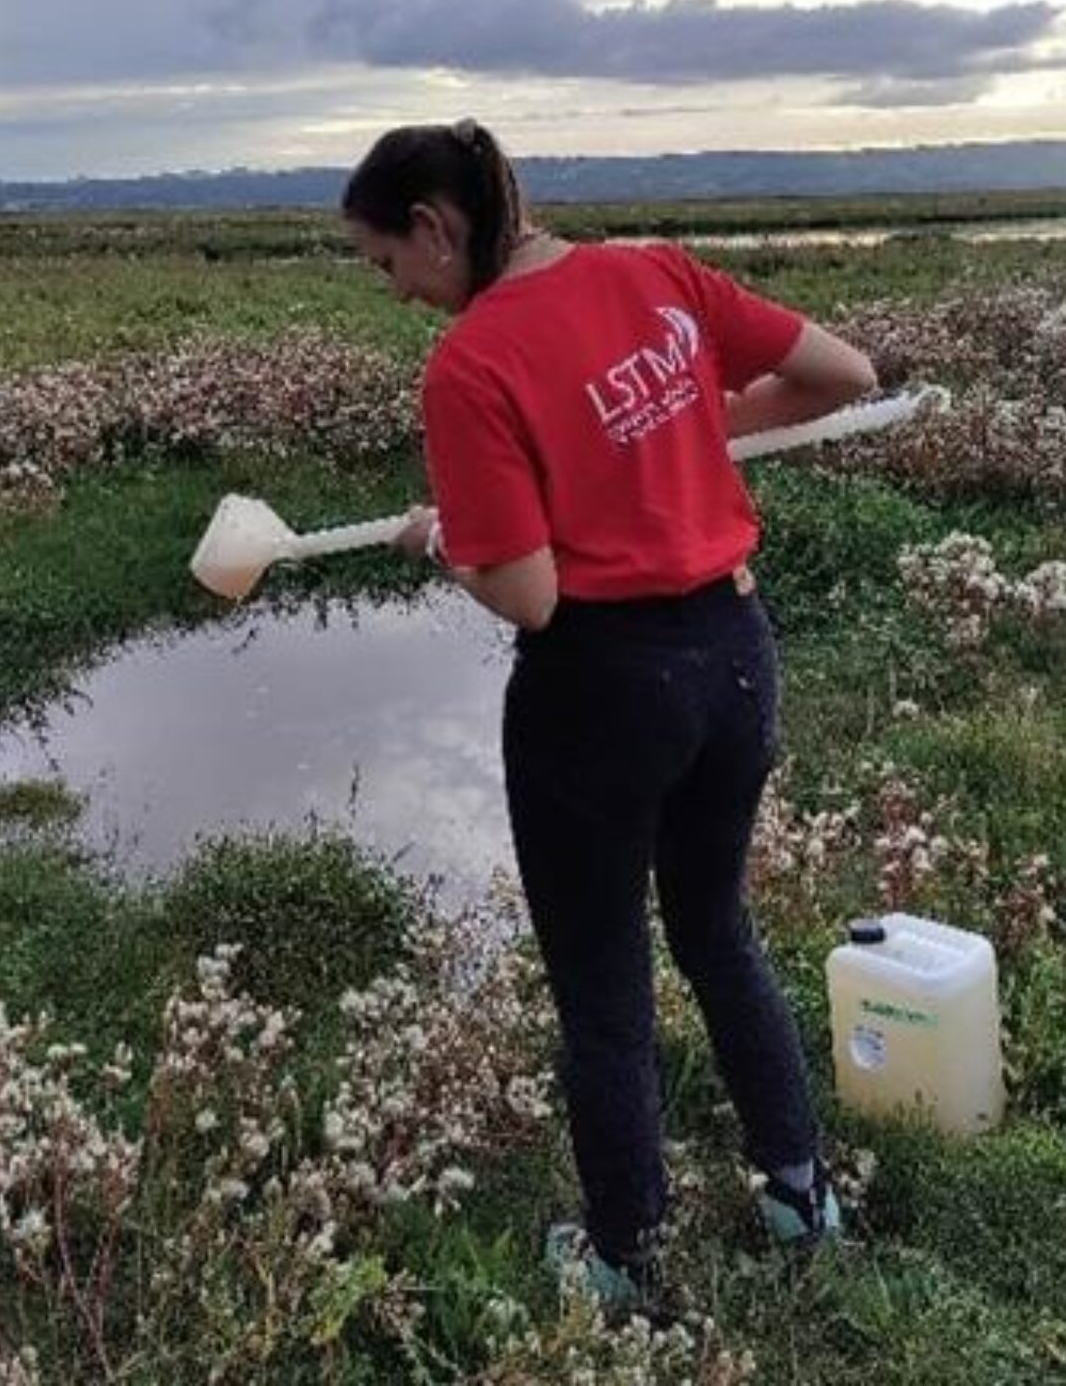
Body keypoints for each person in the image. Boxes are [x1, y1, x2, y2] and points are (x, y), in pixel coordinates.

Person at [342, 118, 877, 1311]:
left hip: (600, 687)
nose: (394, 293)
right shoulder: (656, 272)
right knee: (716, 929)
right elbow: (845, 375)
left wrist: (445, 544)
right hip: (735, 658)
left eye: (388, 263)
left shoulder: (472, 363)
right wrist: (690, 424)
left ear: (435, 225)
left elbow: (528, 594)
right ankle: (801, 1197)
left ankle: (626, 1259)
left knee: (602, 990)